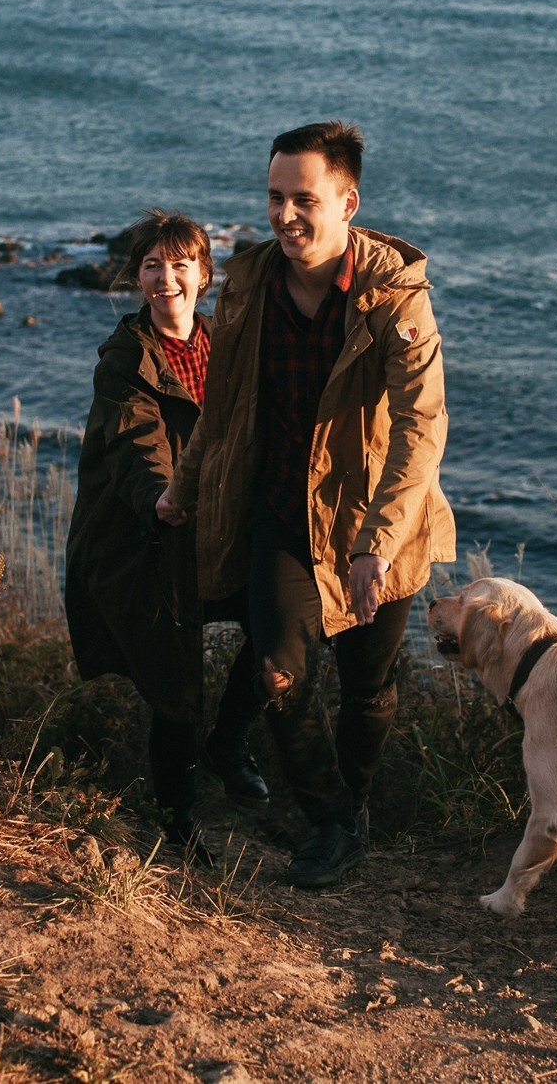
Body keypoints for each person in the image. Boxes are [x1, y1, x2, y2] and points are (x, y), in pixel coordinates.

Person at [160, 121, 455, 887]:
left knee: (368, 685)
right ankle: (331, 819)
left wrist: (377, 542)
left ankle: (350, 808)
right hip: (283, 514)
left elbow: (422, 426)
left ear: (347, 200)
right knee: (279, 674)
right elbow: (223, 403)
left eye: (303, 199)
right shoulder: (254, 277)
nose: (285, 216)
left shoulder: (396, 297)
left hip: (380, 523)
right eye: (273, 197)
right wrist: (184, 489)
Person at [64, 210, 219, 860]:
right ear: (137, 277)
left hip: (207, 529)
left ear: (204, 275)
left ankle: (234, 750)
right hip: (139, 535)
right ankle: (179, 821)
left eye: (181, 265)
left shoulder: (224, 345)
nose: (166, 279)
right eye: (153, 265)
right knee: (177, 683)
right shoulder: (125, 358)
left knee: (279, 628)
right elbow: (135, 439)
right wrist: (160, 494)